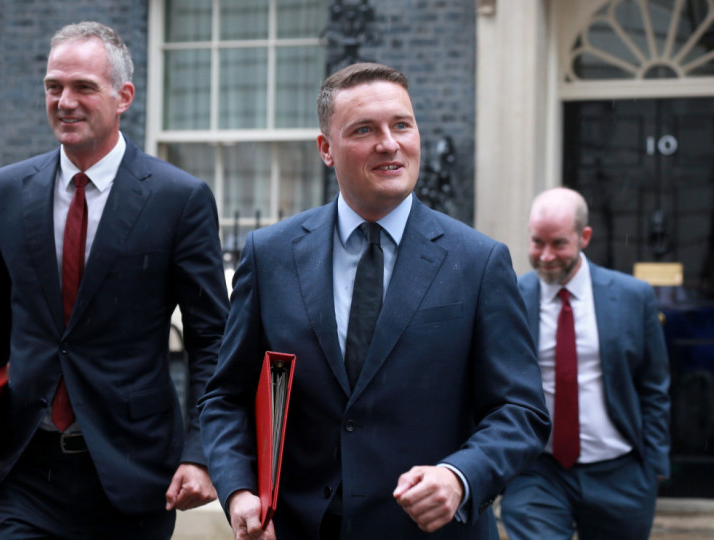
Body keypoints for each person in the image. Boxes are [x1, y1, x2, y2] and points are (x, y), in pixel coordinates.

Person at [198, 62, 550, 540]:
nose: (389, 143)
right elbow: (226, 397)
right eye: (364, 130)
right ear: (326, 149)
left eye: (401, 125)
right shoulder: (271, 256)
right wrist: (239, 491)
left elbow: (520, 411)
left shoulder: (479, 261)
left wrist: (460, 476)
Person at [0, 21, 230, 538]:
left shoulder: (179, 199)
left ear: (123, 96)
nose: (64, 101)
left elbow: (211, 340)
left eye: (83, 87)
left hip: (132, 473)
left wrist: (202, 452)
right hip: (26, 469)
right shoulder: (7, 189)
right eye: (54, 87)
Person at [500, 187, 671, 539]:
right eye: (537, 243)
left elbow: (654, 386)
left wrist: (653, 467)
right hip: (538, 471)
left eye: (559, 244)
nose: (546, 256)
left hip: (621, 474)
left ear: (584, 237)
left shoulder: (633, 296)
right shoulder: (510, 297)